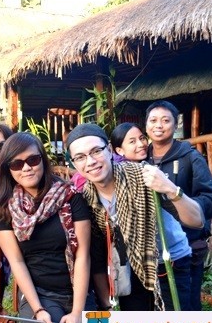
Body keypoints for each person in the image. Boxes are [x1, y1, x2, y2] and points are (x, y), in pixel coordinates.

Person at [66, 123, 204, 311]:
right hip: (131, 267)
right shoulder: (86, 199)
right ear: (74, 163)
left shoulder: (144, 177)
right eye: (80, 157)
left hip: (170, 263)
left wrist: (170, 189)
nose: (90, 162)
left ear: (109, 150)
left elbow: (196, 221)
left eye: (96, 151)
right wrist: (107, 302)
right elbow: (97, 254)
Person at [0, 132, 92, 323]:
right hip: (40, 297)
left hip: (82, 293)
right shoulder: (4, 210)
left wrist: (78, 311)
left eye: (33, 160)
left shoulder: (70, 196)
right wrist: (38, 311)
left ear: (43, 160)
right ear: (8, 170)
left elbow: (82, 254)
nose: (26, 168)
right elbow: (16, 262)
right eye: (17, 164)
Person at [108, 122, 199, 309]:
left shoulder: (149, 173)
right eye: (132, 141)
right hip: (134, 264)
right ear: (118, 150)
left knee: (177, 317)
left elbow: (190, 217)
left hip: (167, 257)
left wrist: (170, 190)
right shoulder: (95, 188)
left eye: (141, 138)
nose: (141, 144)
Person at [145, 100, 212, 310]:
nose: (158, 125)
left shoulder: (190, 157)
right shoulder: (141, 158)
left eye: (165, 120)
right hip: (152, 251)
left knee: (185, 307)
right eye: (153, 120)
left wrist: (182, 202)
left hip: (186, 249)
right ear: (146, 125)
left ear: (176, 124)